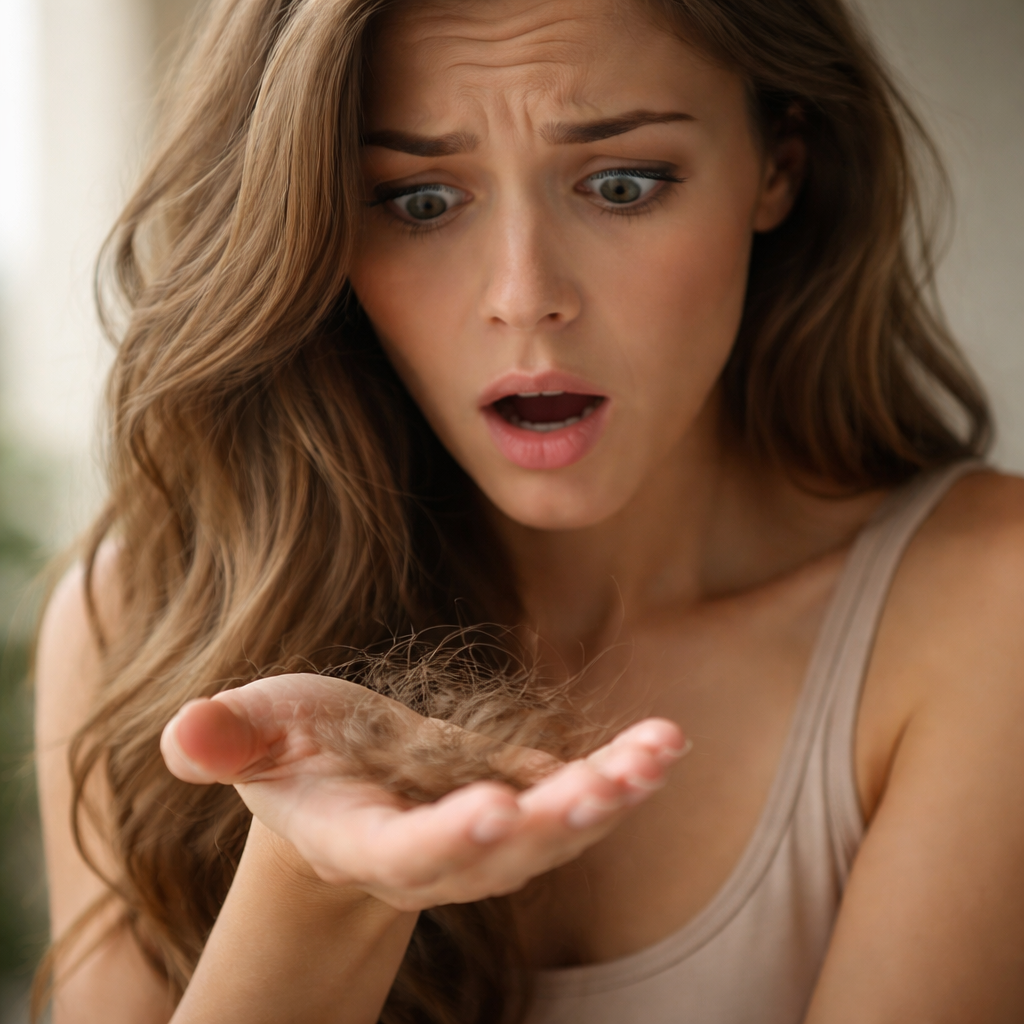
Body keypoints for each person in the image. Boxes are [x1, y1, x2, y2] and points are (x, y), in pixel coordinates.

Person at [32, 0, 1024, 1019]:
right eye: (418, 200)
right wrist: (311, 887)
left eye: (622, 184)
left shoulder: (990, 602)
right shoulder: (139, 631)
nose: (524, 293)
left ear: (779, 164)